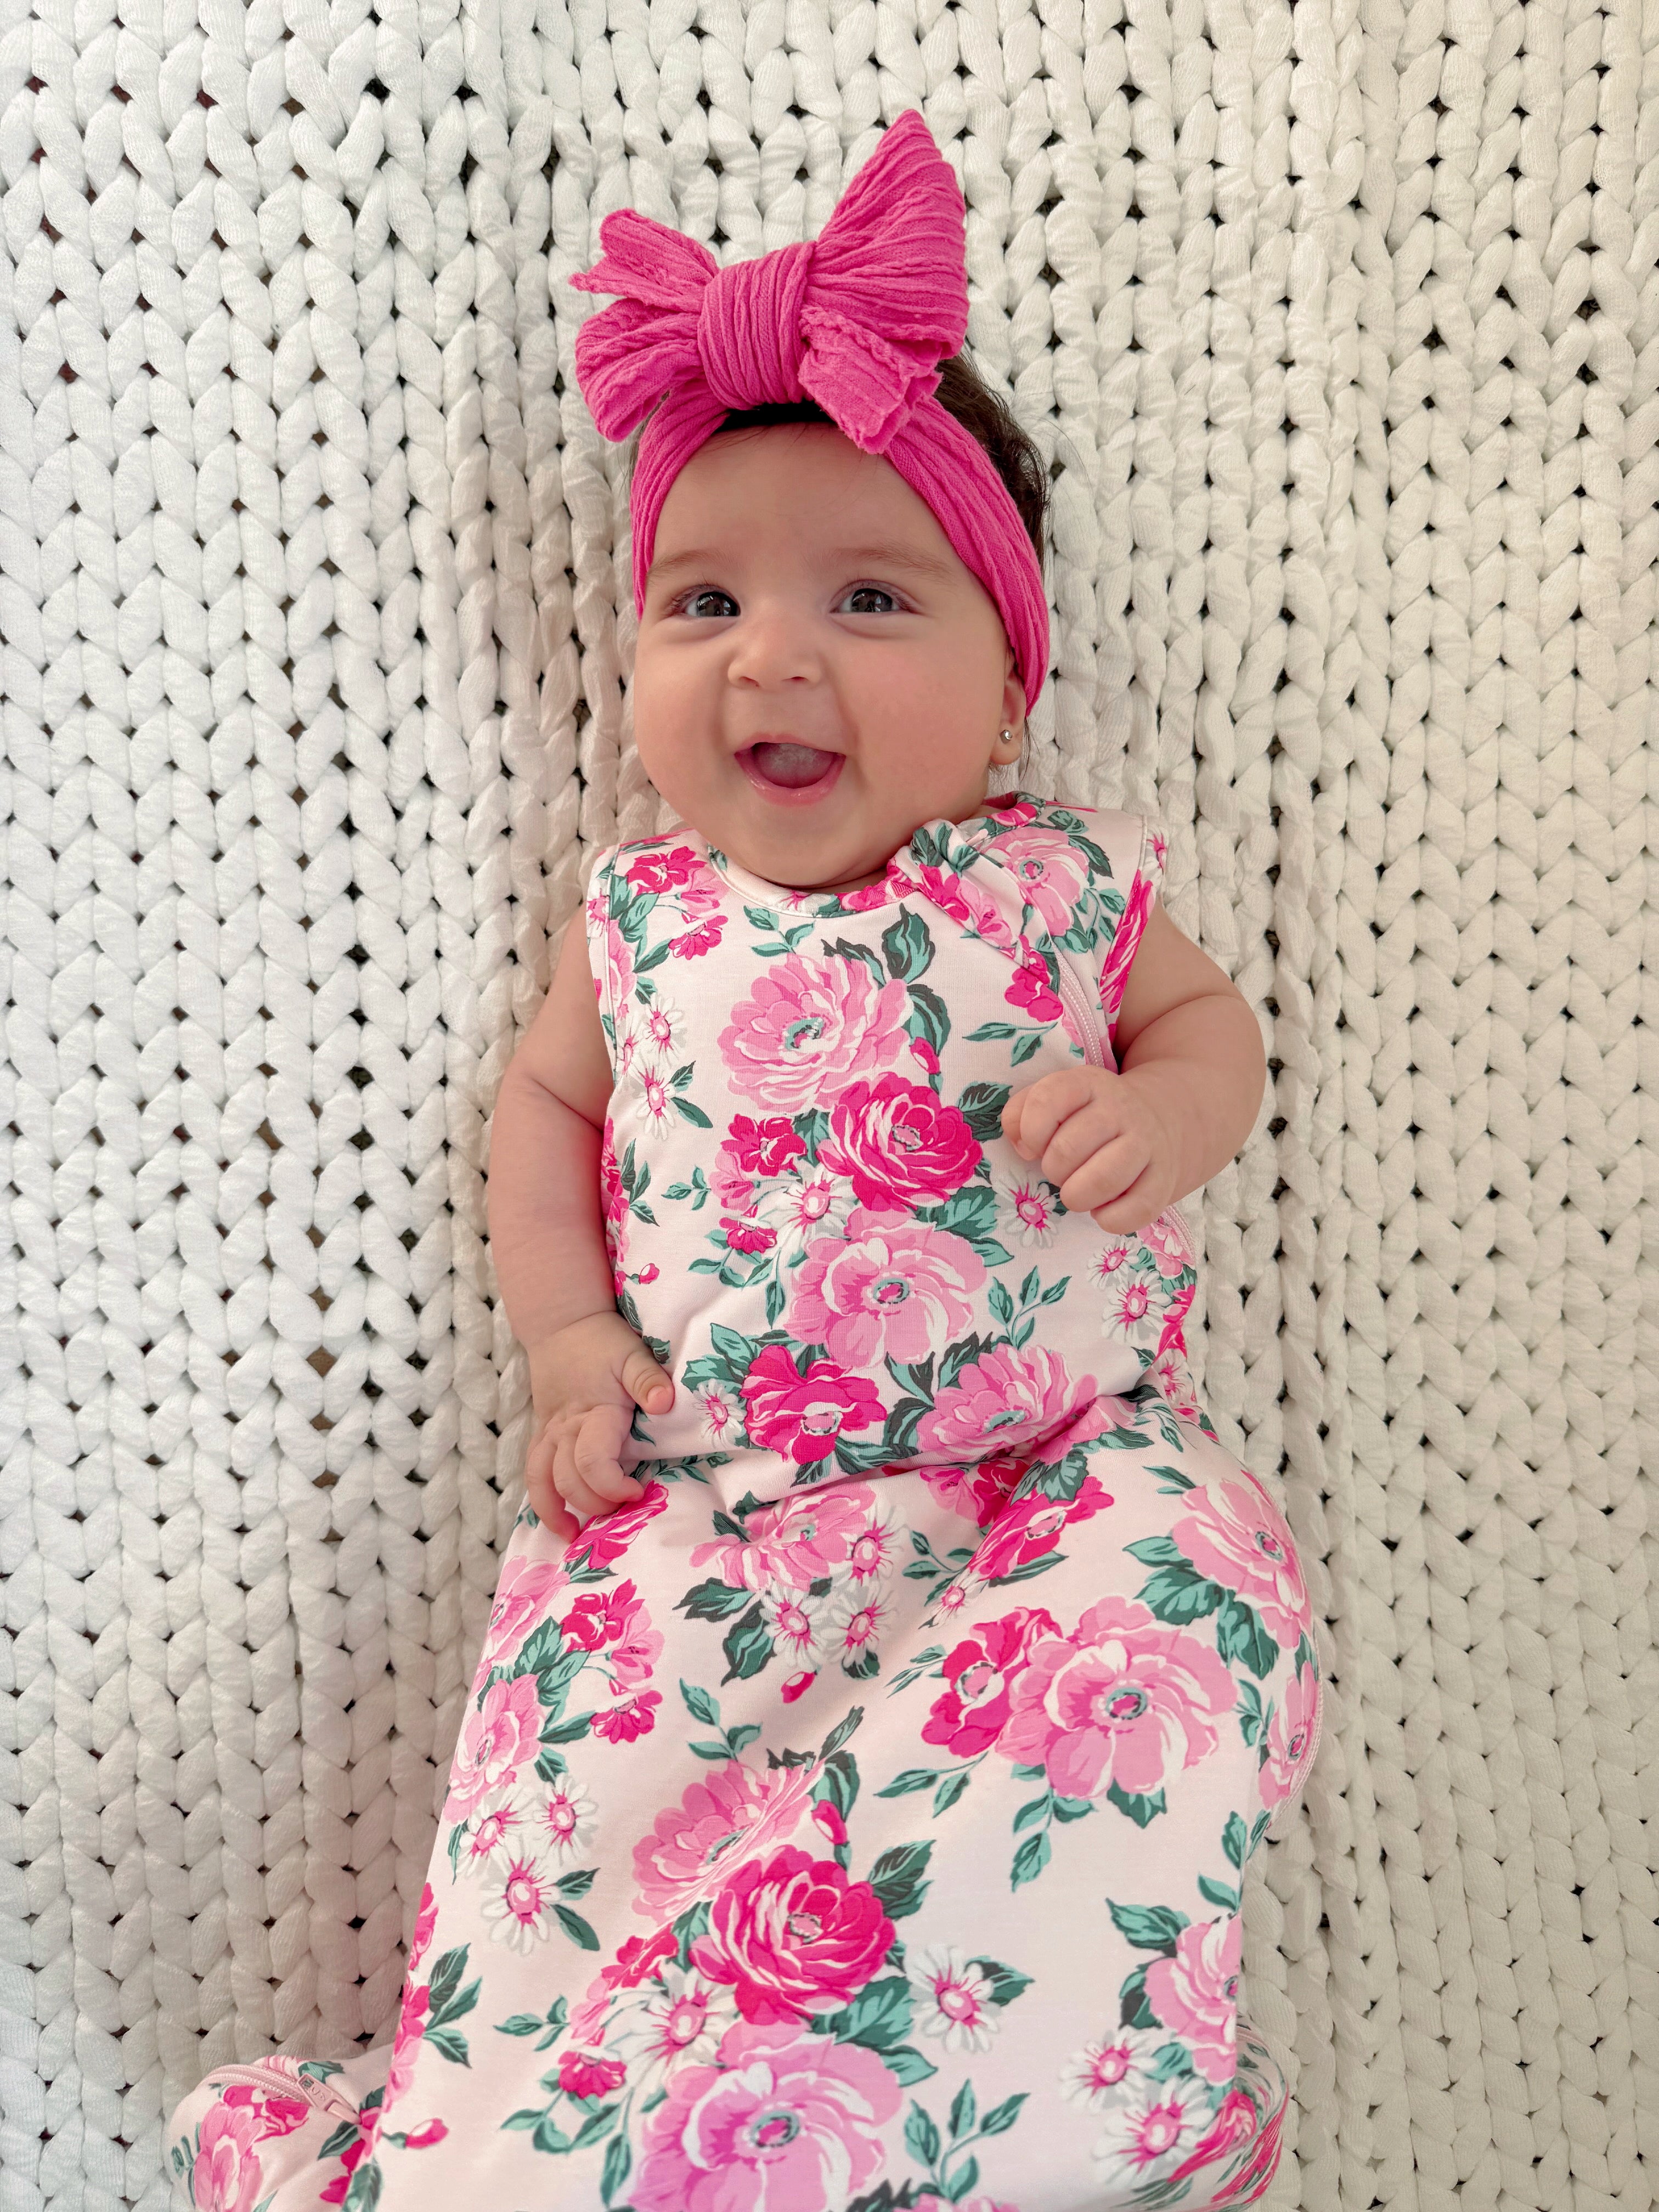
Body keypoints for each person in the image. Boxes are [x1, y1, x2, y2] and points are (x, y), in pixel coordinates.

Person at [165, 108, 1321, 2212]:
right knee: (564, 1875)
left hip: (1020, 1513)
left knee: (1165, 1628)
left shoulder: (1053, 887)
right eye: (702, 602)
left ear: (1004, 694)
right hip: (696, 1537)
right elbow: (544, 1120)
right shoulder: (644, 923)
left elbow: (1220, 1036)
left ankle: (1069, 2115)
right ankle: (528, 2152)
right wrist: (568, 1340)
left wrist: (1159, 1113)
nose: (769, 655)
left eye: (868, 597)